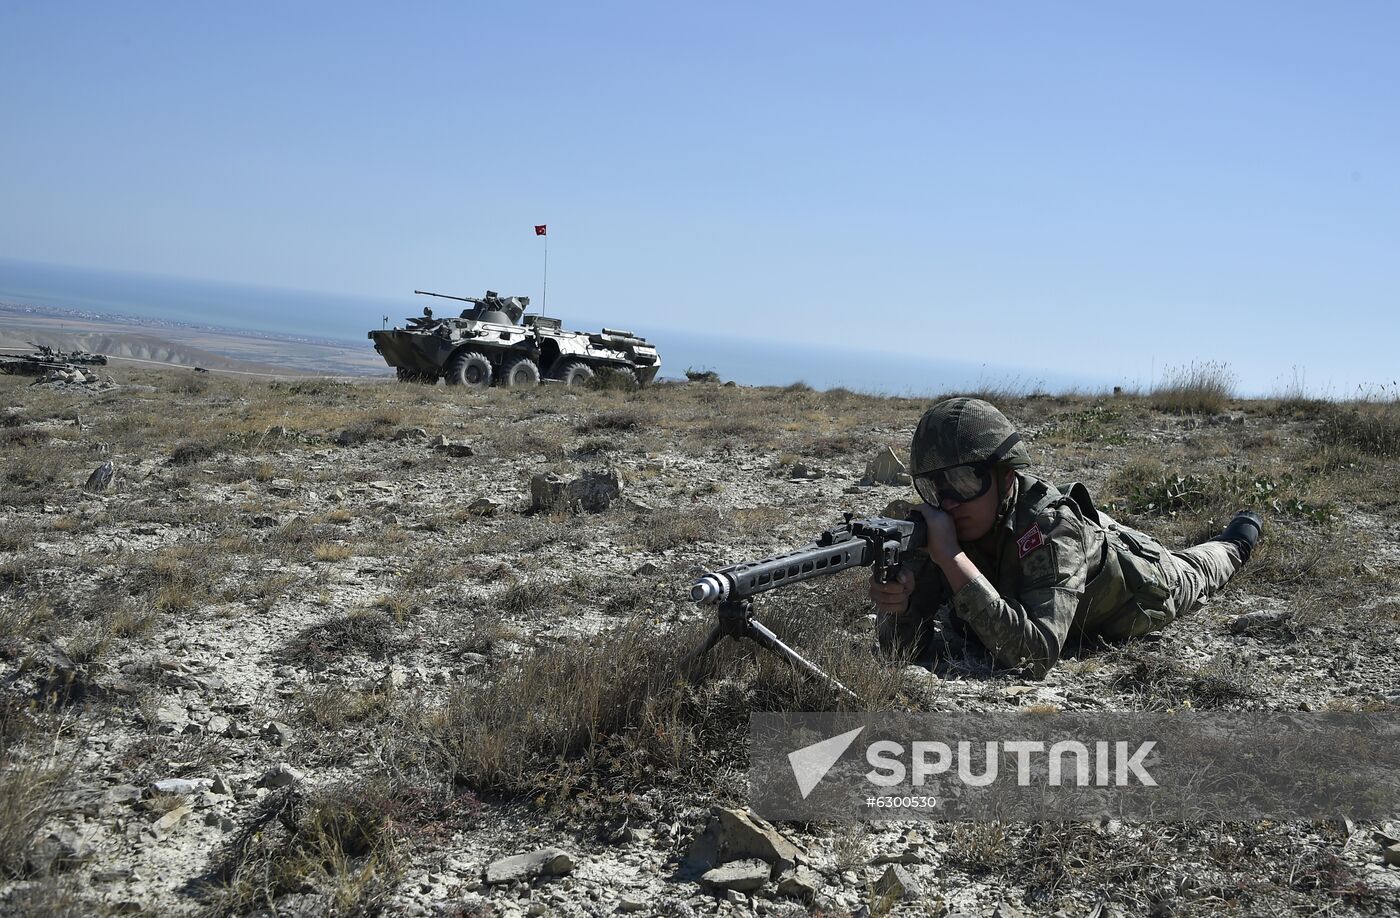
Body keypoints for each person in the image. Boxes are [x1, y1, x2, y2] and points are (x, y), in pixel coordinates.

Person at [868, 397, 1263, 678]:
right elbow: (900, 650)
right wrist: (900, 607)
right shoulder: (946, 523)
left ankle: (1240, 535)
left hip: (1144, 582)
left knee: (1203, 566)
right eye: (934, 487)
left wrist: (952, 559)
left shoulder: (1051, 530)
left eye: (965, 481)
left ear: (1006, 476)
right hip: (1084, 540)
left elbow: (1035, 656)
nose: (948, 501)